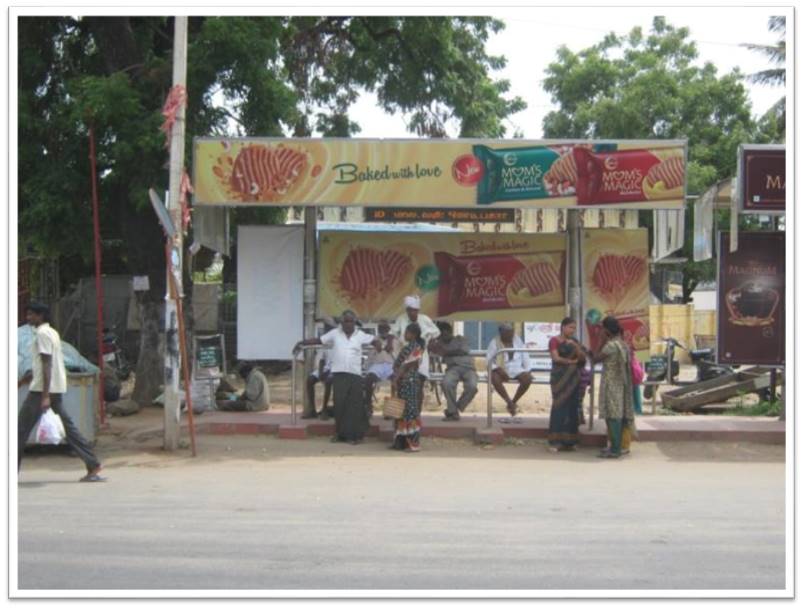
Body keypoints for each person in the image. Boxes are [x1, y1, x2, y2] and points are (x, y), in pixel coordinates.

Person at [18, 302, 105, 482]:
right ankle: (92, 464)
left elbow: (47, 364)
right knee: (68, 428)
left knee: (19, 431)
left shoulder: (42, 334)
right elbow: (42, 364)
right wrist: (24, 381)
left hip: (41, 391)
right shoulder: (52, 333)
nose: (28, 318)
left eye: (31, 315)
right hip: (54, 388)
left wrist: (44, 396)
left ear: (41, 316)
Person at [294, 311, 381, 445]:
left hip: (355, 374)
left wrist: (377, 343)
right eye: (345, 321)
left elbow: (374, 339)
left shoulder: (360, 335)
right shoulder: (335, 333)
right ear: (341, 322)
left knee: (355, 406)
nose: (348, 324)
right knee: (340, 405)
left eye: (350, 321)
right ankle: (339, 434)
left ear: (354, 322)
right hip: (339, 374)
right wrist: (302, 343)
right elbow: (319, 340)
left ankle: (356, 436)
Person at [589, 316, 637, 459]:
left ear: (607, 330)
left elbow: (594, 359)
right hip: (622, 384)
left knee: (612, 416)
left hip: (611, 383)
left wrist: (599, 341)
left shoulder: (610, 346)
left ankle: (615, 449)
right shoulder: (623, 344)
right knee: (620, 415)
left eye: (602, 329)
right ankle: (619, 446)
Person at [547, 317, 587, 452]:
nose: (572, 330)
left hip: (573, 379)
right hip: (559, 378)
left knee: (572, 407)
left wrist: (576, 347)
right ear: (563, 327)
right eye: (570, 327)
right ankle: (555, 441)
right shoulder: (554, 341)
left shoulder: (575, 342)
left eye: (574, 328)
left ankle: (570, 441)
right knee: (559, 406)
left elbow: (582, 359)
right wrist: (570, 362)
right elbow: (555, 357)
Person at [392, 295, 440, 401]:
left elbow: (436, 332)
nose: (411, 313)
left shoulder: (425, 319)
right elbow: (393, 333)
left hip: (420, 355)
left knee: (419, 384)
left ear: (418, 310)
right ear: (406, 310)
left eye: (414, 310)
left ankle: (416, 413)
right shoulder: (401, 318)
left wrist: (432, 339)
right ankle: (403, 412)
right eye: (409, 310)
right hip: (405, 354)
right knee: (402, 385)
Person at [429, 321, 478, 421]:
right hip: (453, 368)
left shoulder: (461, 339)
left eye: (445, 333)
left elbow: (463, 350)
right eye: (441, 334)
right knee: (446, 383)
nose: (443, 336)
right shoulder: (439, 343)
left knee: (472, 387)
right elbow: (431, 349)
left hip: (469, 368)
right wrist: (433, 341)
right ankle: (453, 412)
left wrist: (445, 352)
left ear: (449, 332)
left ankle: (455, 408)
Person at [389, 323, 426, 452]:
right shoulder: (412, 347)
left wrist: (396, 378)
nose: (405, 334)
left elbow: (406, 365)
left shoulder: (415, 347)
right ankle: (401, 442)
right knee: (404, 412)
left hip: (408, 381)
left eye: (407, 332)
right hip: (407, 382)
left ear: (413, 334)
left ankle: (413, 443)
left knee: (409, 412)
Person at [486, 323, 532, 417]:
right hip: (501, 368)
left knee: (528, 378)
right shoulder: (494, 342)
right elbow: (489, 360)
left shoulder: (517, 339)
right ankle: (508, 400)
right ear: (501, 333)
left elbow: (525, 355)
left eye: (512, 332)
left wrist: (528, 369)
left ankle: (513, 402)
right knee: (494, 378)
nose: (511, 335)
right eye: (508, 333)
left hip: (516, 368)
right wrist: (498, 369)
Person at [364, 320, 399, 417]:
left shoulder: (394, 340)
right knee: (368, 379)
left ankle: (391, 411)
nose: (383, 330)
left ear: (388, 329)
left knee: (396, 380)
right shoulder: (375, 340)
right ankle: (368, 407)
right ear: (378, 329)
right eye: (381, 328)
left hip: (391, 365)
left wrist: (390, 348)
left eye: (385, 328)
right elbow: (370, 357)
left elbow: (398, 357)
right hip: (377, 365)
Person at [304, 317, 336, 420]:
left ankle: (324, 409)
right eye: (325, 327)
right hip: (326, 367)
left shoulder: (338, 339)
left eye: (328, 327)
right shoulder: (324, 339)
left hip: (337, 369)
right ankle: (312, 410)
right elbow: (322, 359)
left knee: (329, 380)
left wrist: (327, 372)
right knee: (310, 380)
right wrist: (321, 371)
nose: (326, 329)